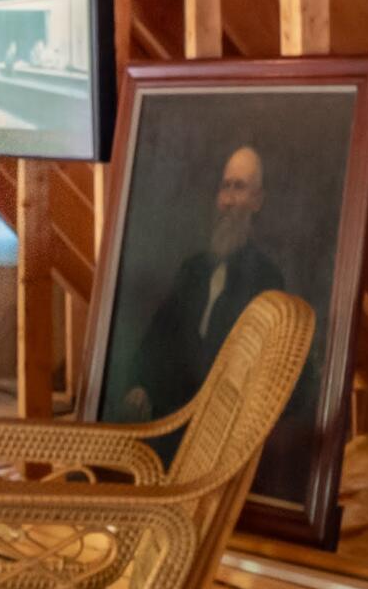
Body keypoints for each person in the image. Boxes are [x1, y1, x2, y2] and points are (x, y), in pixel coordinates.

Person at [117, 145, 285, 421]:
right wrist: (141, 384)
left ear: (257, 201)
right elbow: (161, 332)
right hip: (173, 411)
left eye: (239, 188)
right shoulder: (193, 269)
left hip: (225, 421)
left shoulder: (267, 278)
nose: (228, 200)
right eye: (225, 187)